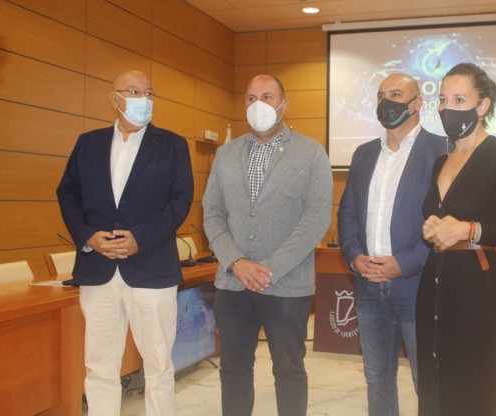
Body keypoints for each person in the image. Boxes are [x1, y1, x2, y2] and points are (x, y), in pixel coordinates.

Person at [56, 70, 193, 416]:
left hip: (152, 269)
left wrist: (140, 239)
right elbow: (68, 194)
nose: (143, 99)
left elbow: (180, 201)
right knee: (99, 365)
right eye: (134, 91)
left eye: (149, 92)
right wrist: (87, 235)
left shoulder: (173, 145)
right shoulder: (88, 143)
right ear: (114, 98)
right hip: (98, 269)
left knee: (158, 363)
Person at [202, 74, 333, 416]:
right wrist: (236, 262)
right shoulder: (226, 154)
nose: (257, 104)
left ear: (283, 105)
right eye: (250, 98)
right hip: (233, 282)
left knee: (289, 370)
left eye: (267, 97)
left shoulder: (311, 152)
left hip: (287, 284)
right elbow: (212, 213)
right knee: (233, 369)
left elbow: (317, 217)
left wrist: (270, 269)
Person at [417, 63, 496, 416]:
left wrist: (470, 230)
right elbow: (439, 217)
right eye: (442, 100)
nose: (447, 108)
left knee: (471, 392)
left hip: (476, 295)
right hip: (433, 288)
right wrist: (431, 228)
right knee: (433, 390)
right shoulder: (441, 161)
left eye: (459, 100)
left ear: (483, 106)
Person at [337, 73, 446, 415]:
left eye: (396, 94)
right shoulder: (364, 153)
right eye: (382, 95)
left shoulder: (442, 151)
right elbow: (347, 213)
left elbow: (447, 223)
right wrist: (354, 256)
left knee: (427, 381)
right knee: (377, 379)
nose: (387, 102)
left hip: (418, 286)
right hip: (369, 287)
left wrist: (405, 263)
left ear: (417, 103)